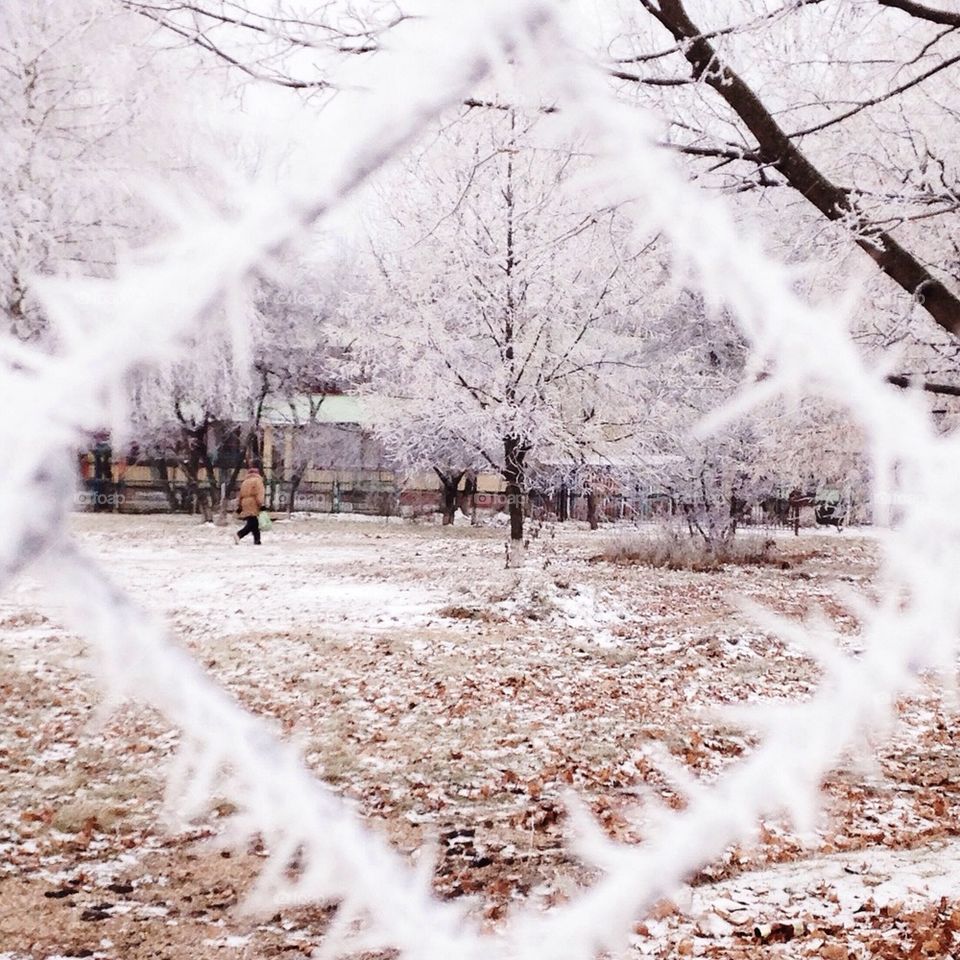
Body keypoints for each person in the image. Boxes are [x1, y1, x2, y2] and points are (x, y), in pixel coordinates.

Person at [234, 465, 266, 545]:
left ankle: (257, 540)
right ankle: (239, 534)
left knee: (254, 522)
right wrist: (261, 504)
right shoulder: (257, 481)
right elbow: (259, 493)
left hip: (245, 502)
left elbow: (240, 495)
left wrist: (240, 506)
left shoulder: (245, 482)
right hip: (253, 502)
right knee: (252, 523)